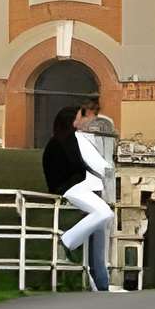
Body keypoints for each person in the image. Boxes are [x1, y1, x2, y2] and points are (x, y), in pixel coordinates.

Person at [51, 98, 122, 291]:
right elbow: (99, 165)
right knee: (101, 227)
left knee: (98, 237)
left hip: (89, 189)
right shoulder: (76, 139)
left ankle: (100, 282)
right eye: (81, 116)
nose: (85, 119)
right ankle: (67, 243)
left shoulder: (75, 138)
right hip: (85, 190)